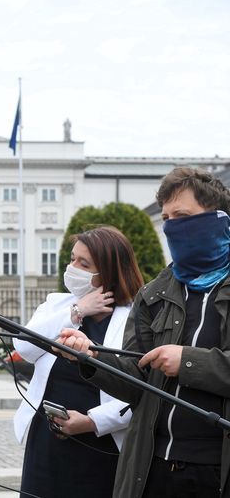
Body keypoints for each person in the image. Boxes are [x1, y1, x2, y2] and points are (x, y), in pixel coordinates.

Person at [59, 167, 230, 497]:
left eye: (183, 215)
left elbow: (192, 363)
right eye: (166, 217)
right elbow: (135, 383)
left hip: (215, 471)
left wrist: (188, 362)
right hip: (151, 467)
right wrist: (92, 357)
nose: (172, 226)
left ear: (218, 218)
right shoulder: (154, 294)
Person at [13, 226, 144, 498]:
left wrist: (92, 421)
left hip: (102, 444)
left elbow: (139, 389)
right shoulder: (58, 305)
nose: (72, 267)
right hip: (47, 440)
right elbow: (24, 346)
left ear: (108, 272)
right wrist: (77, 311)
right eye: (72, 259)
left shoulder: (135, 318)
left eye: (83, 263)